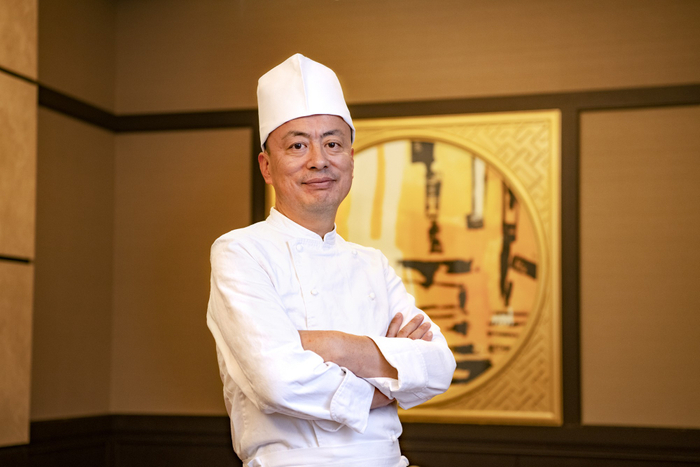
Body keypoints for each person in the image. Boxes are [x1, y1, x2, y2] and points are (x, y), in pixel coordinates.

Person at [207, 53, 456, 467]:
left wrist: (334, 346)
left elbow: (440, 366)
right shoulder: (240, 251)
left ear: (351, 161)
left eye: (333, 143)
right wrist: (388, 378)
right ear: (267, 166)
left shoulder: (373, 264)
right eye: (297, 145)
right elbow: (277, 381)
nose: (319, 160)